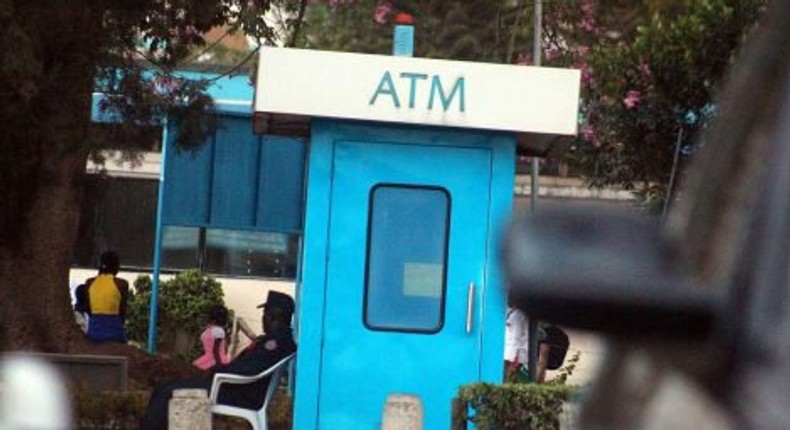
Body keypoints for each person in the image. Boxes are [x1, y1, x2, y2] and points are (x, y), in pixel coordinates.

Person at [139, 291, 297, 430]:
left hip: (237, 393)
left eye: (265, 314)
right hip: (235, 389)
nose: (263, 318)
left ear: (274, 315)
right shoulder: (279, 340)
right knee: (170, 386)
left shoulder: (276, 343)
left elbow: (251, 369)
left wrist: (218, 371)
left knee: (167, 390)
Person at [84, 251, 130, 343]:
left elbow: (87, 307)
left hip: (95, 328)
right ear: (116, 267)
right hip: (115, 327)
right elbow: (123, 310)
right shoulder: (122, 284)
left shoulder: (90, 282)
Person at [192, 305, 230, 370]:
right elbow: (215, 350)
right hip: (215, 358)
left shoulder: (209, 331)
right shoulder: (218, 330)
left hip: (212, 359)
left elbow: (214, 349)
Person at [504, 297, 530, 382]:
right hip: (512, 355)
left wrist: (513, 359)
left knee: (508, 379)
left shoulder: (518, 314)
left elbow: (516, 338)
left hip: (513, 357)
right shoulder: (512, 312)